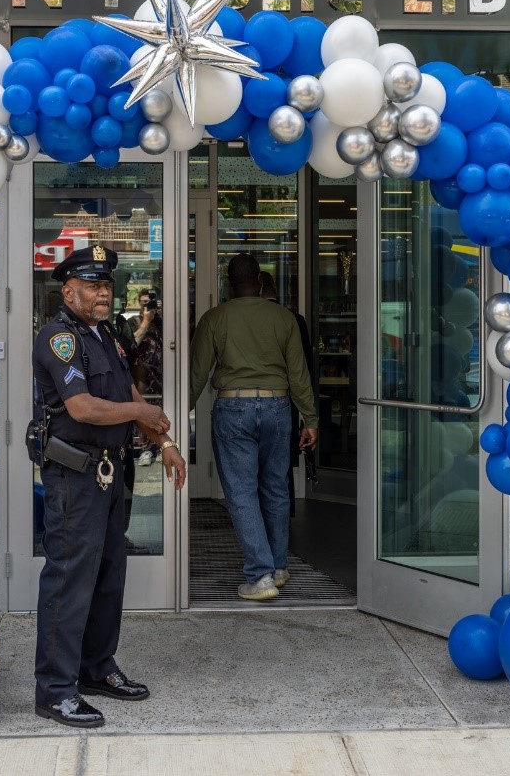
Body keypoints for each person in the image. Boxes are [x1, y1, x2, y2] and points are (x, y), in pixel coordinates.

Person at [30, 245, 187, 728]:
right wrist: (142, 415)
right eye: (93, 285)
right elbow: (82, 408)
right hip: (74, 476)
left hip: (110, 471)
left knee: (107, 577)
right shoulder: (59, 337)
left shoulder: (108, 335)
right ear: (68, 289)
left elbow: (127, 391)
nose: (103, 293)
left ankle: (96, 669)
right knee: (69, 580)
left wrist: (165, 442)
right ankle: (55, 690)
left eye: (107, 285)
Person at [189, 253, 318, 601]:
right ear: (261, 281)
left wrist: (169, 417)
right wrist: (311, 419)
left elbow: (197, 374)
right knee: (276, 488)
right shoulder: (284, 318)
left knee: (242, 492)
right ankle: (278, 567)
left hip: (233, 406)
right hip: (278, 405)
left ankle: (260, 577)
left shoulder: (214, 318)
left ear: (229, 284)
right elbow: (299, 374)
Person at [258, 271, 317, 514]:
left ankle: (258, 516)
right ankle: (283, 516)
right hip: (287, 400)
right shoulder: (294, 319)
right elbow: (305, 368)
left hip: (253, 397)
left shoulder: (248, 320)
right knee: (280, 465)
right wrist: (308, 412)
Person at [130, 289, 163, 466]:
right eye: (143, 302)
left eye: (150, 302)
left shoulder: (163, 322)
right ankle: (146, 449)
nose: (146, 305)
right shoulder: (132, 322)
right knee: (142, 409)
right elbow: (131, 345)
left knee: (161, 409)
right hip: (140, 373)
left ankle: (160, 447)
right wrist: (145, 321)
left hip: (161, 373)